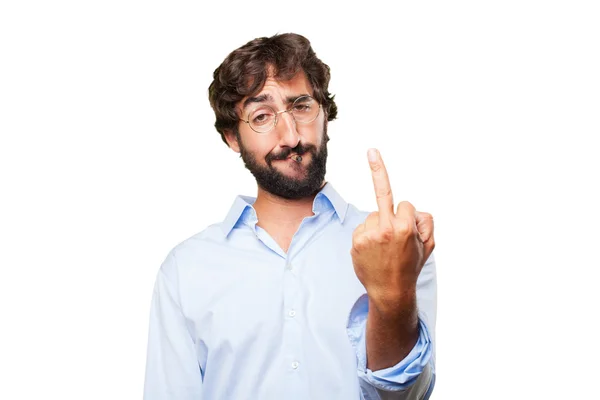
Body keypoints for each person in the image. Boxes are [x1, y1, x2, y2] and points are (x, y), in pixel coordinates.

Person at [143, 33, 437, 400]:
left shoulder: (394, 241)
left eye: (301, 106)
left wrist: (391, 295)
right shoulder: (185, 269)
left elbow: (409, 397)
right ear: (232, 137)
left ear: (324, 112)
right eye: (262, 116)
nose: (291, 136)